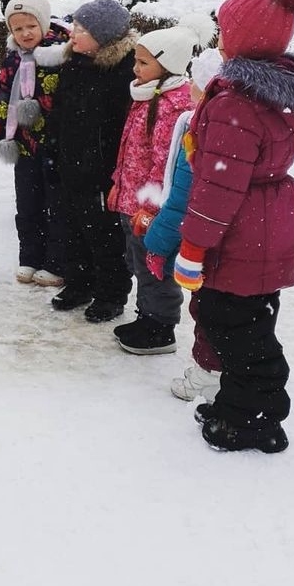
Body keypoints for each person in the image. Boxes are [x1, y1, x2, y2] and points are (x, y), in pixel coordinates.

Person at [175, 0, 294, 453]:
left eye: (225, 30)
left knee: (235, 328)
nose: (219, 38)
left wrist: (194, 246)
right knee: (249, 319)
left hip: (240, 230)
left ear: (244, 39)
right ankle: (235, 403)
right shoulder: (271, 95)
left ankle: (255, 418)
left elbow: (218, 190)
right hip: (267, 223)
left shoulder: (237, 105)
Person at [107, 24, 199, 355]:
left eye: (144, 63)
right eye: (136, 61)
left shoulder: (173, 105)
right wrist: (120, 187)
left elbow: (163, 163)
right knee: (138, 261)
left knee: (154, 265)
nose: (136, 69)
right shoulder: (146, 94)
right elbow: (130, 148)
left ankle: (160, 327)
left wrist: (152, 206)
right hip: (131, 200)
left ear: (168, 64)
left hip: (151, 208)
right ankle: (145, 316)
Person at [141, 48, 224, 402]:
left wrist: (157, 243)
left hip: (203, 242)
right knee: (227, 312)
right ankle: (224, 370)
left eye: (194, 80)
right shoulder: (220, 127)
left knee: (207, 310)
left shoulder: (199, 129)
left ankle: (209, 374)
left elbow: (182, 198)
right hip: (229, 239)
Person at [46, 0, 135, 322]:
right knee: (73, 229)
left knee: (104, 235)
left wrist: (111, 170)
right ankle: (79, 283)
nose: (73, 33)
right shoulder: (73, 64)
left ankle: (111, 293)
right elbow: (59, 113)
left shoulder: (121, 73)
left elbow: (123, 129)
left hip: (101, 171)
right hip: (71, 165)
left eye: (81, 29)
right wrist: (52, 150)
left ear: (104, 37)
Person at [0, 0, 69, 285]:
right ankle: (29, 258)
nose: (25, 33)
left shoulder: (60, 56)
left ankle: (56, 262)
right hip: (22, 143)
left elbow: (68, 103)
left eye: (31, 26)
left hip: (54, 144)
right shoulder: (14, 60)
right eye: (18, 28)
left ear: (44, 23)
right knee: (27, 204)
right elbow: (5, 97)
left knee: (56, 205)